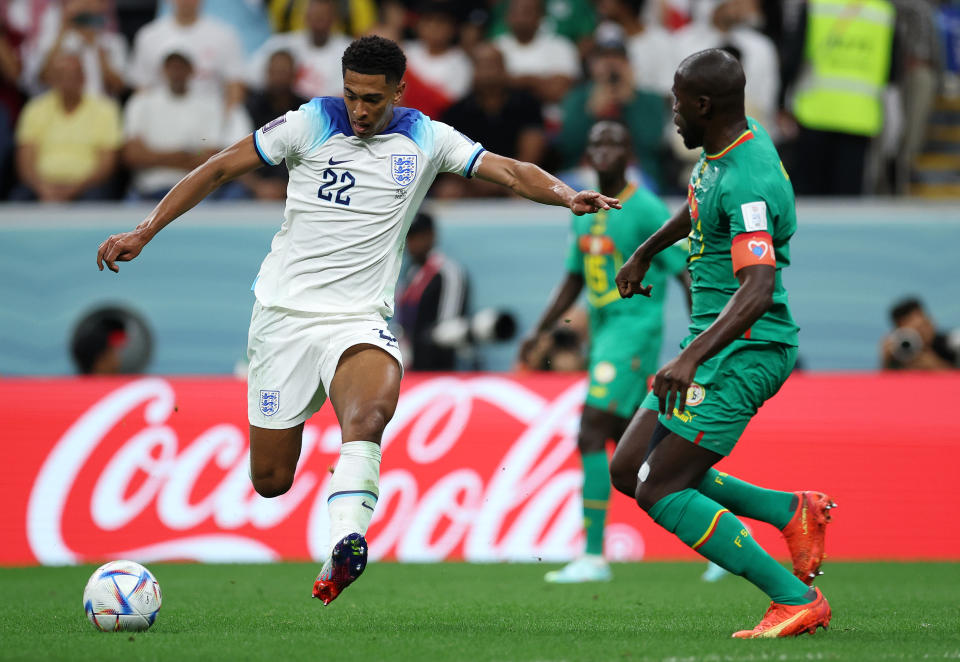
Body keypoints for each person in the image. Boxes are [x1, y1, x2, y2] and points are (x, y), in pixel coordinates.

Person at [95, 35, 620, 606]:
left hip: (358, 318)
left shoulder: (427, 137)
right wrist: (144, 230)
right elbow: (220, 169)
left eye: (373, 98)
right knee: (270, 481)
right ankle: (336, 506)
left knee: (370, 412)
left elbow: (513, 173)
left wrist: (567, 195)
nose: (361, 110)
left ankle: (346, 540)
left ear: (399, 90)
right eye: (351, 96)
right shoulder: (308, 123)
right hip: (282, 320)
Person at [611, 49, 835, 638]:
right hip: (710, 341)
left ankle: (794, 599)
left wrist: (691, 356)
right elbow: (698, 209)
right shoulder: (723, 149)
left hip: (745, 350)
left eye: (678, 103)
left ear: (704, 106)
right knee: (628, 466)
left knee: (658, 487)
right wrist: (645, 251)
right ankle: (790, 511)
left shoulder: (749, 178)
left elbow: (758, 289)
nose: (673, 115)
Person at [519, 120, 689, 583]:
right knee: (648, 449)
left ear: (629, 150)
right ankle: (721, 540)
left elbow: (684, 269)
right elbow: (575, 275)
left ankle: (593, 557)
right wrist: (541, 329)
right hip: (604, 336)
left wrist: (699, 340)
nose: (604, 149)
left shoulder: (646, 207)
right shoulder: (586, 205)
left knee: (591, 428)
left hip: (634, 330)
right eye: (595, 142)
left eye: (614, 141)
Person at [123, 50, 251, 201]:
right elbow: (132, 155)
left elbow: (210, 156)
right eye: (172, 68)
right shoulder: (141, 103)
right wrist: (183, 154)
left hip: (194, 193)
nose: (176, 73)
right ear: (163, 71)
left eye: (181, 68)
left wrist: (154, 157)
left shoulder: (209, 105)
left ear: (191, 71)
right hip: (147, 191)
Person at [556, 35, 666, 191]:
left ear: (629, 66)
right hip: (584, 171)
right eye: (603, 58)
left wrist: (631, 103)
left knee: (642, 190)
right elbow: (568, 145)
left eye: (618, 59)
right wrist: (591, 112)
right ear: (592, 66)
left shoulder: (649, 99)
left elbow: (651, 143)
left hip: (635, 172)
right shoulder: (577, 97)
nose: (611, 64)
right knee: (561, 190)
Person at [13, 51, 120, 201]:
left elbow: (107, 164)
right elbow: (25, 161)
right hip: (41, 185)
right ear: (53, 80)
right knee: (18, 201)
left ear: (83, 78)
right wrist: (42, 188)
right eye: (62, 75)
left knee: (97, 197)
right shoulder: (35, 109)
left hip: (87, 186)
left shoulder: (105, 110)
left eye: (74, 75)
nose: (68, 81)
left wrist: (75, 188)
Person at [394, 212, 470, 371]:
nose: (412, 243)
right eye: (408, 236)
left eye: (417, 236)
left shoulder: (449, 272)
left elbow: (448, 327)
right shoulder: (411, 272)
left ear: (431, 236)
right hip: (412, 365)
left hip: (441, 366)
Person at [246, 0, 351, 100]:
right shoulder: (281, 44)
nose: (319, 22)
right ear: (306, 17)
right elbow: (248, 78)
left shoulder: (348, 50)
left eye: (323, 17)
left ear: (334, 19)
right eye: (315, 16)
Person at [242, 50, 309, 200]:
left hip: (298, 186)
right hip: (254, 186)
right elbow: (232, 155)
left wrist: (287, 187)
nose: (279, 77)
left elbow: (315, 158)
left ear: (294, 75)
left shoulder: (308, 110)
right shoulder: (248, 108)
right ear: (267, 73)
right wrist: (259, 187)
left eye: (283, 72)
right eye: (274, 71)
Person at [881, 297, 959, 370]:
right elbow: (883, 383)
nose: (922, 334)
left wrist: (936, 366)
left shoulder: (952, 344)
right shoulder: (896, 352)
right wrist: (886, 362)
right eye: (915, 330)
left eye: (923, 326)